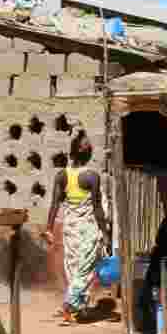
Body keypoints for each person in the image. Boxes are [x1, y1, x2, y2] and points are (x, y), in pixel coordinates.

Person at [43, 133, 111, 323]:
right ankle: (68, 305)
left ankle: (78, 309)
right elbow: (97, 209)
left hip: (70, 228)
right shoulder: (91, 176)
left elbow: (54, 204)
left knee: (74, 269)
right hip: (88, 229)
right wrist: (105, 233)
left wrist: (49, 228)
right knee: (85, 270)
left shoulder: (62, 175)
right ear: (89, 154)